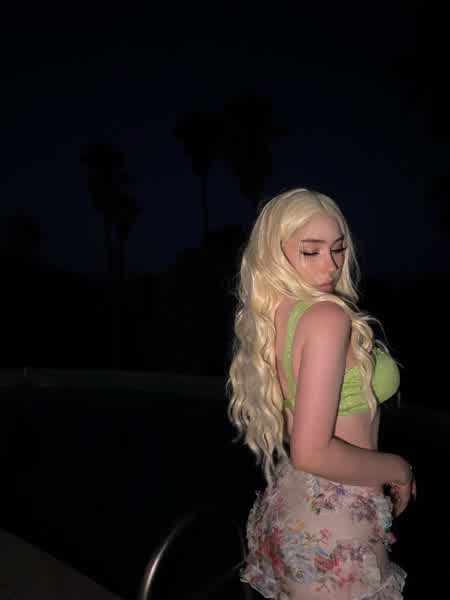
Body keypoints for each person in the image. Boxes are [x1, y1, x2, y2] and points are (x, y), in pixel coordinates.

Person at [227, 188, 416, 599]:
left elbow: (297, 431)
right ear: (276, 253)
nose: (330, 265)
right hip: (335, 527)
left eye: (338, 248)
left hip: (292, 508)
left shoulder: (276, 311)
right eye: (310, 251)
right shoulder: (327, 316)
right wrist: (398, 468)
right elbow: (311, 451)